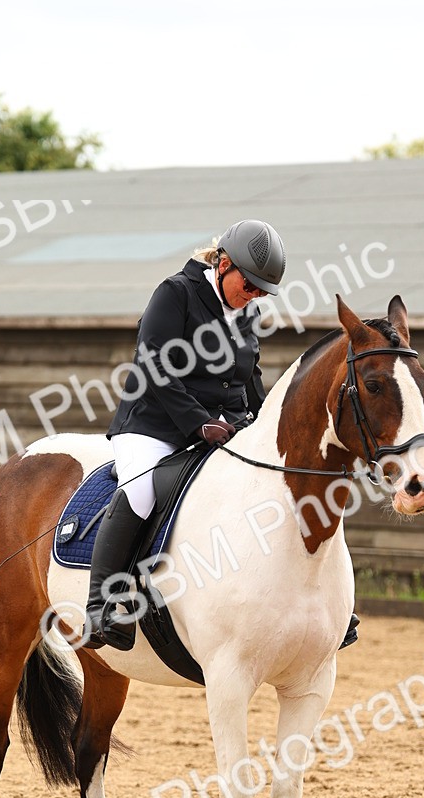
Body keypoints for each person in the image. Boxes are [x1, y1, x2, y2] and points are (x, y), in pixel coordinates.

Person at [83, 218, 286, 650]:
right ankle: (100, 605)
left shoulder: (245, 311)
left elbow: (250, 377)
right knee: (140, 492)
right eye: (247, 286)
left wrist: (268, 427)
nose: (252, 297)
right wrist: (198, 421)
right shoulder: (176, 293)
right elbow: (155, 365)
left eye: (260, 293)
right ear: (223, 264)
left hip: (219, 428)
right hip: (153, 423)